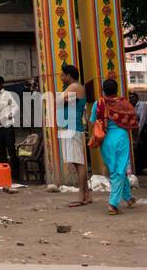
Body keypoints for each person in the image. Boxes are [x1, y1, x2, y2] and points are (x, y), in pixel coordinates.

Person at [89, 78, 138, 215]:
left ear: (103, 90)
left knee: (118, 169)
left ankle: (128, 198)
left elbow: (93, 122)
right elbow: (133, 121)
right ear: (117, 90)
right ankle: (113, 204)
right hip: (122, 139)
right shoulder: (124, 103)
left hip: (105, 140)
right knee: (118, 171)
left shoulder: (98, 104)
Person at [58, 63, 91, 207]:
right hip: (71, 126)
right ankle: (86, 194)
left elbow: (58, 100)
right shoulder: (72, 88)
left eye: (62, 75)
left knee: (78, 162)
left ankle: (81, 196)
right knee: (77, 162)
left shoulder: (75, 87)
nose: (61, 77)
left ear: (69, 76)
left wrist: (62, 99)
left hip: (73, 127)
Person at [0, 76, 21, 183]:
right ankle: (4, 174)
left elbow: (16, 107)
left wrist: (8, 116)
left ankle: (15, 175)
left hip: (7, 127)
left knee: (11, 151)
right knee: (1, 152)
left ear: (2, 84)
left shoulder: (7, 94)